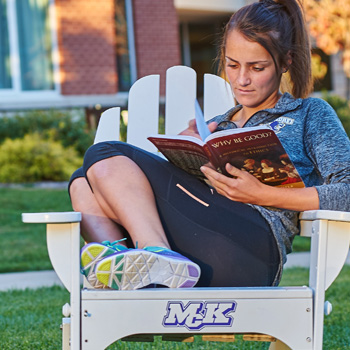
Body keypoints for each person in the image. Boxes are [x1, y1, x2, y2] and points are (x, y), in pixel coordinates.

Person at [69, 0, 350, 290]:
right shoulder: (215, 126)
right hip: (198, 248)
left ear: (286, 61)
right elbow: (131, 188)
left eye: (257, 67)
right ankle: (120, 259)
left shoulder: (309, 114)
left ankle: (154, 255)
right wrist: (180, 154)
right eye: (232, 65)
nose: (242, 80)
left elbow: (348, 190)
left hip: (249, 253)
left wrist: (262, 194)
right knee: (81, 180)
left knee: (103, 153)